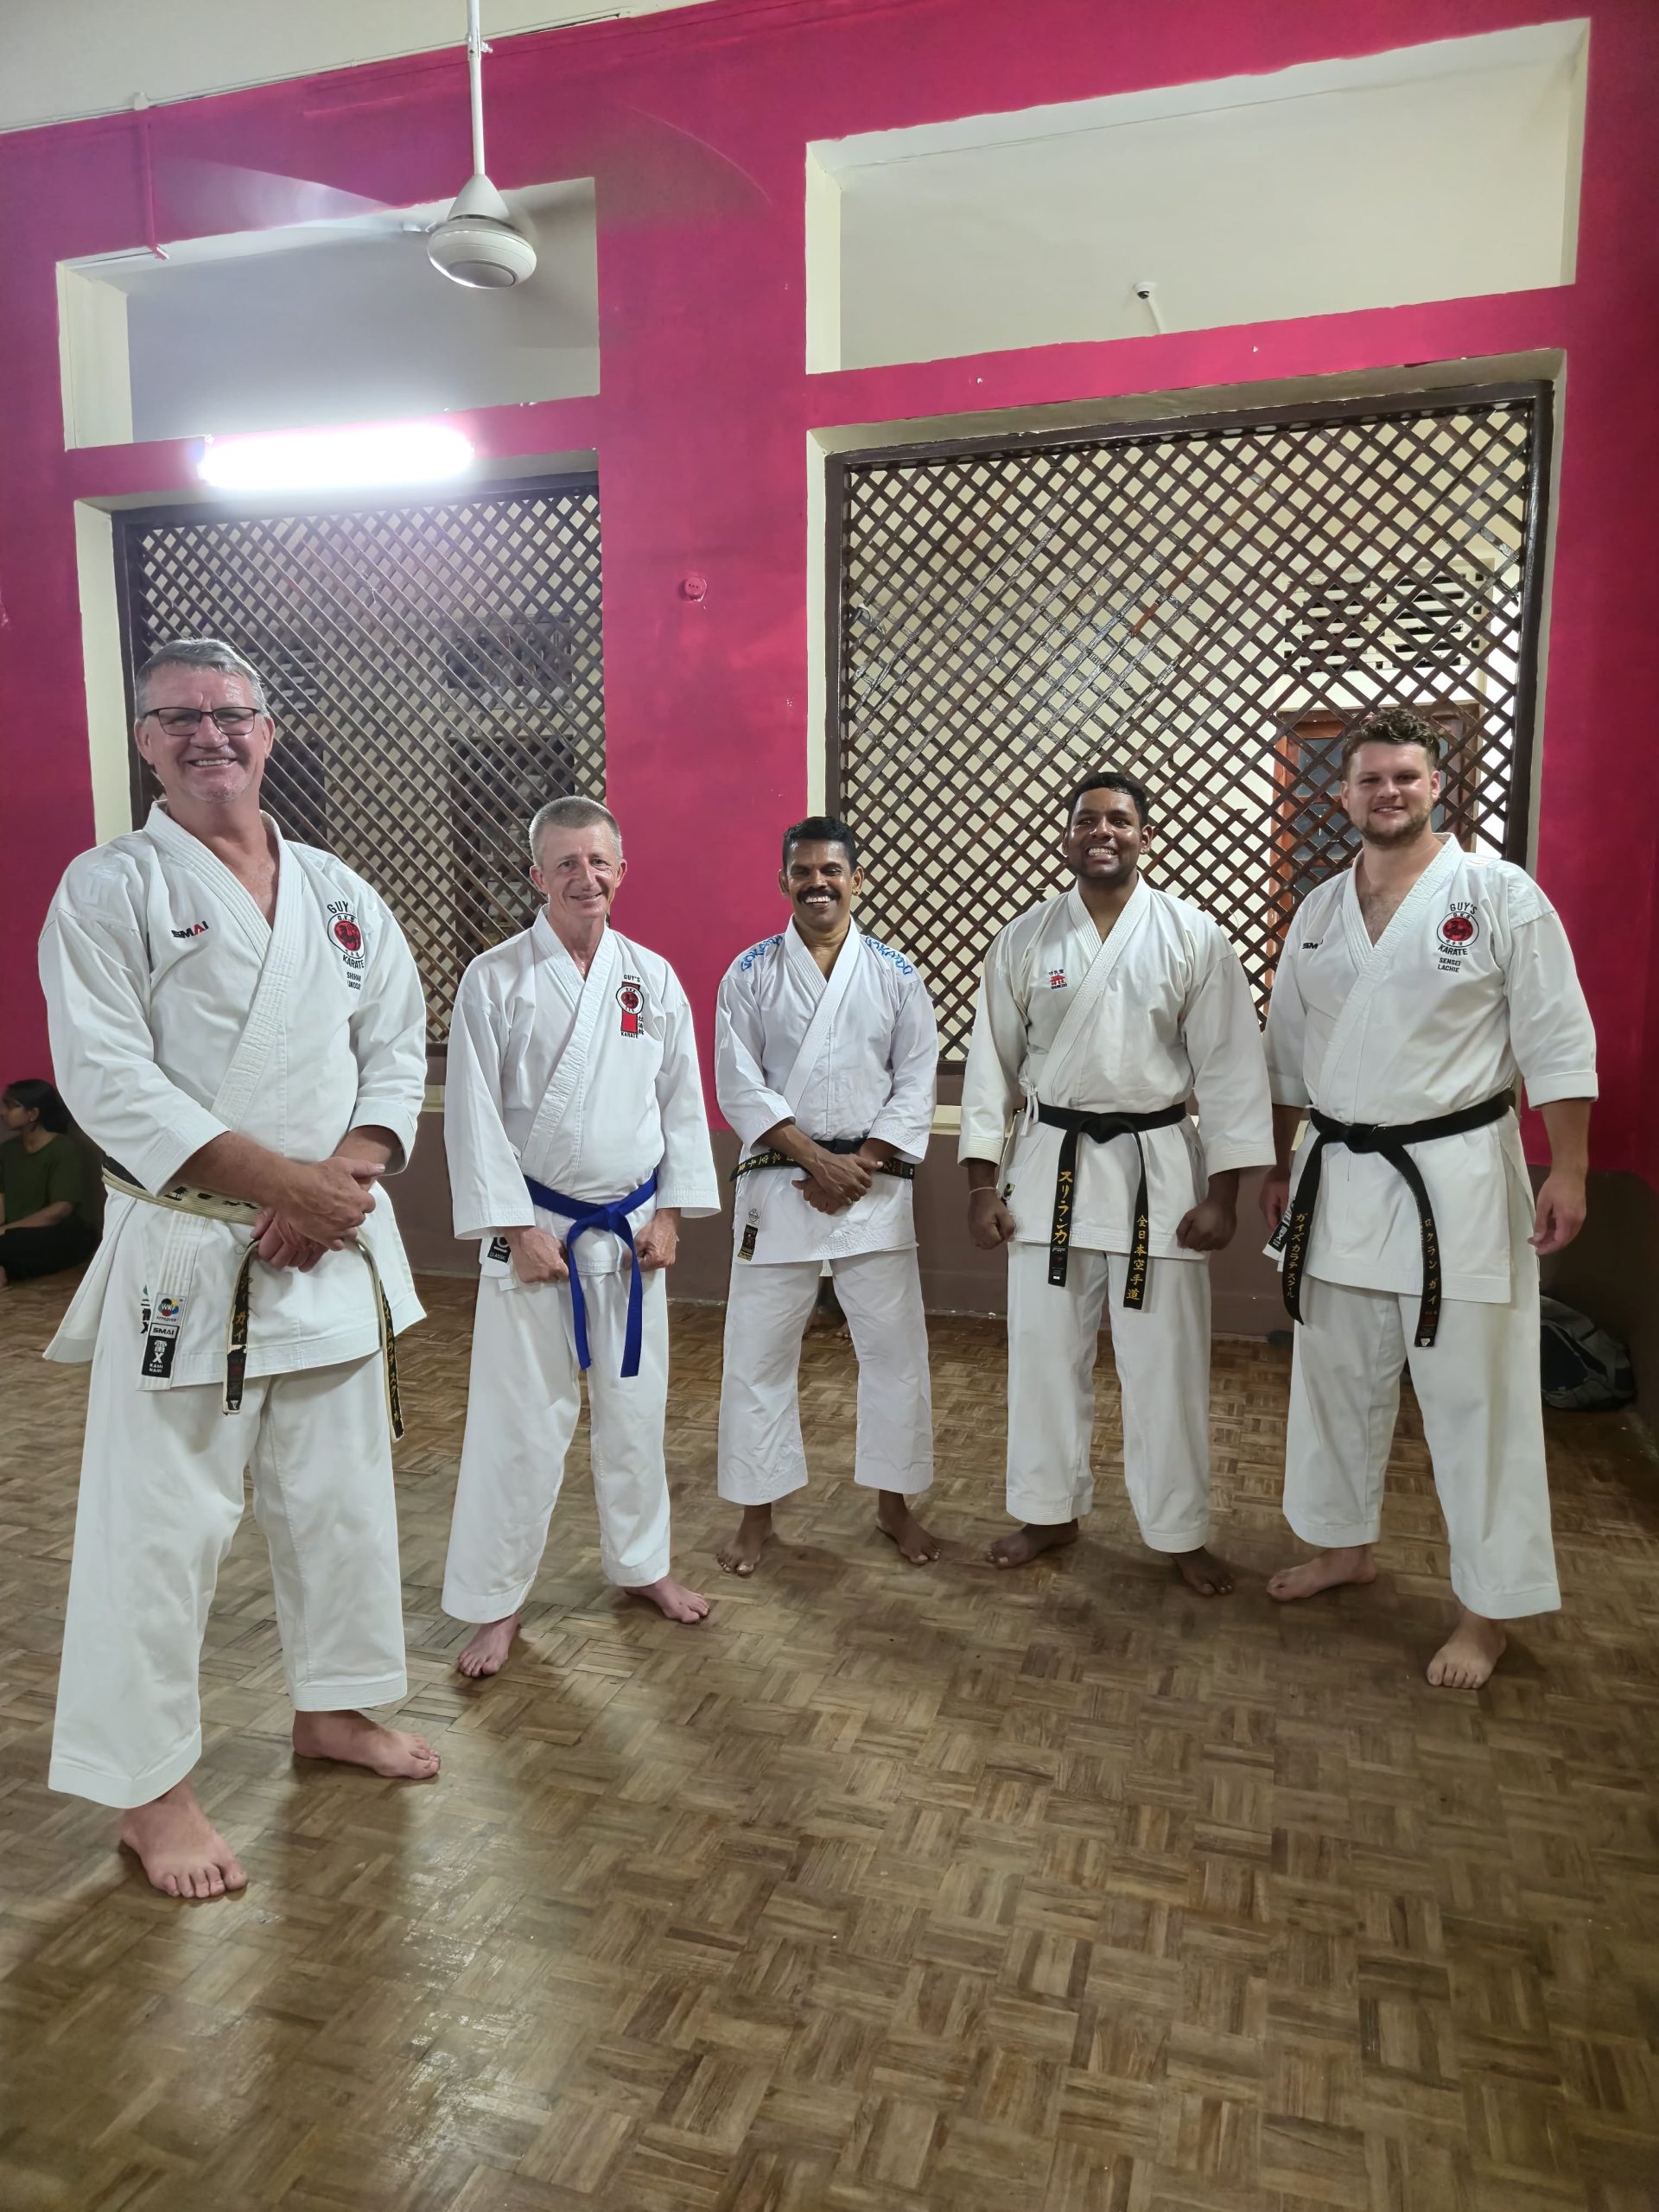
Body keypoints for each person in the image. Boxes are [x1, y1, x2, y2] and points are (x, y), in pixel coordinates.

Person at [38, 637, 438, 1902]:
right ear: (146, 742)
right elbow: (107, 1079)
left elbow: (396, 1043)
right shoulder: (107, 888)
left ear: (269, 731)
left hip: (330, 1242)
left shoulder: (338, 890)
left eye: (231, 714)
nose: (209, 734)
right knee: (160, 1532)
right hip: (190, 1249)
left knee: (341, 1501)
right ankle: (148, 1788)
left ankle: (337, 1706)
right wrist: (286, 1187)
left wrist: (347, 1176)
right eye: (181, 718)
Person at [1260, 706, 1596, 1688]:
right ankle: (1342, 1546)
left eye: (1405, 776)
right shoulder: (1320, 911)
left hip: (1457, 1182)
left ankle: (1487, 1610)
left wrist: (1569, 1166)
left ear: (1437, 786)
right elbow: (1287, 1053)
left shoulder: (1498, 894)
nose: (1388, 793)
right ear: (1344, 793)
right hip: (1337, 1175)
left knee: (1475, 1399)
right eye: (1371, 779)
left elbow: (1557, 1037)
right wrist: (1281, 1163)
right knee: (1335, 1377)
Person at [959, 772, 1273, 1593]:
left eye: (1120, 820)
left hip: (1156, 1172)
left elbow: (1232, 1068)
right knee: (1043, 1356)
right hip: (1049, 1168)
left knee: (1166, 1365)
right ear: (1067, 838)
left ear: (1144, 836)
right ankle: (1047, 1511)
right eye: (1088, 821)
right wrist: (982, 1186)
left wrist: (1224, 1195)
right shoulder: (1025, 938)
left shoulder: (1192, 936)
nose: (1103, 831)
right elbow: (990, 1068)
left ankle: (1179, 1531)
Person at [441, 796, 720, 1676]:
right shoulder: (494, 977)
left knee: (636, 1412)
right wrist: (516, 1228)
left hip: (630, 1231)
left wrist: (670, 1213)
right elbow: (472, 1114)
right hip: (538, 1230)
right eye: (565, 862)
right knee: (518, 1425)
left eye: (598, 861)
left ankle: (644, 1565)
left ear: (620, 871)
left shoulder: (652, 977)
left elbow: (681, 1102)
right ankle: (496, 1605)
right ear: (537, 875)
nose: (584, 877)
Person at [713, 816, 940, 1576]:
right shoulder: (749, 973)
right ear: (783, 881)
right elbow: (738, 1084)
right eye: (803, 871)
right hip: (780, 1179)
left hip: (873, 1185)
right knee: (757, 1353)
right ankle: (756, 1514)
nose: (818, 883)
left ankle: (893, 1505)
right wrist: (815, 1159)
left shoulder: (895, 973)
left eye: (831, 870)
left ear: (856, 880)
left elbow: (916, 1080)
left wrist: (858, 1164)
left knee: (894, 1353)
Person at [0, 1078, 100, 1283]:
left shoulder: (64, 1149)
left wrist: (6, 1230)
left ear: (33, 1114)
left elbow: (60, 1211)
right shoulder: (7, 1151)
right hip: (15, 1233)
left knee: (12, 1242)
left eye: (11, 1106)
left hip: (63, 1232)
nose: (3, 1112)